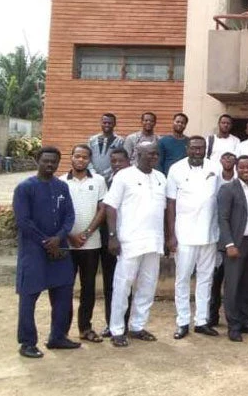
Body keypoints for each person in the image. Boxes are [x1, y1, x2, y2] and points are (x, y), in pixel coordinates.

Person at [13, 146, 78, 358]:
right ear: (37, 161)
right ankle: (27, 343)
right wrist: (45, 241)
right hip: (34, 252)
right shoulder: (25, 188)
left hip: (59, 250)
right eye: (46, 161)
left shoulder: (61, 187)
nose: (50, 165)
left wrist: (59, 238)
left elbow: (69, 215)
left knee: (63, 294)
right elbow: (23, 221)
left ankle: (57, 337)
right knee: (29, 296)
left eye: (54, 162)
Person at [103, 142, 166, 347]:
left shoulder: (160, 178)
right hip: (129, 240)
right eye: (149, 154)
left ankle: (138, 326)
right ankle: (117, 329)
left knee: (148, 286)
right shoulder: (123, 176)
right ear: (137, 154)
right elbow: (110, 207)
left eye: (156, 154)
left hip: (154, 241)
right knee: (123, 285)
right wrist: (112, 236)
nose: (153, 157)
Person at [166, 136, 220, 339]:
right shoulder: (176, 169)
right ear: (187, 149)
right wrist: (171, 235)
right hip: (184, 235)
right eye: (194, 148)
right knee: (182, 280)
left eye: (201, 149)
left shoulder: (215, 168)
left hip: (210, 234)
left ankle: (202, 321)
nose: (198, 152)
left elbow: (219, 199)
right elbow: (170, 204)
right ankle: (182, 322)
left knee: (206, 280)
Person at [62, 144, 107, 344]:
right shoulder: (61, 182)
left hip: (91, 244)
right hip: (67, 244)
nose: (81, 160)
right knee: (64, 287)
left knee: (88, 288)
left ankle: (85, 328)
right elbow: (60, 213)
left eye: (85, 157)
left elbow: (102, 210)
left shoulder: (98, 181)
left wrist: (87, 233)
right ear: (71, 157)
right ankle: (61, 330)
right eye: (77, 156)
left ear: (90, 160)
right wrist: (71, 235)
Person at [217, 155, 248, 342]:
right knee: (233, 286)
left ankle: (246, 322)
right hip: (236, 245)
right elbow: (222, 218)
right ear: (237, 168)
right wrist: (229, 243)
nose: (246, 170)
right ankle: (233, 326)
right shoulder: (228, 189)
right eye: (242, 167)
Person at [98, 148, 131, 337]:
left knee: (127, 283)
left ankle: (126, 323)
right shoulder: (106, 181)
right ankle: (111, 323)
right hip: (109, 238)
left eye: (120, 161)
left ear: (128, 161)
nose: (116, 164)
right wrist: (111, 236)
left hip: (128, 239)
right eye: (113, 161)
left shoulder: (134, 179)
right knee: (110, 283)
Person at [208, 152, 238, 328]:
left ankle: (232, 318)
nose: (228, 161)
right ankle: (212, 316)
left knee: (232, 281)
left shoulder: (240, 182)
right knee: (214, 280)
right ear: (220, 161)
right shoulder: (213, 180)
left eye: (231, 158)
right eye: (225, 158)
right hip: (215, 234)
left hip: (234, 237)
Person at [88, 113, 124, 178]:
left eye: (109, 123)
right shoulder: (92, 140)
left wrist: (109, 172)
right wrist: (92, 172)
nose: (107, 125)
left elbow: (121, 159)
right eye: (104, 122)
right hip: (93, 176)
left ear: (114, 124)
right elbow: (87, 157)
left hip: (112, 176)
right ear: (101, 123)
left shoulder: (120, 141)